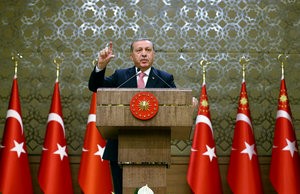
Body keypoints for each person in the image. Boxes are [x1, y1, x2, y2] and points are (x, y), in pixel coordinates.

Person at [88, 39, 176, 194]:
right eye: (139, 50)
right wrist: (101, 66)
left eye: (148, 50)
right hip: (119, 148)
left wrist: (189, 103)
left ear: (153, 54)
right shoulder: (121, 76)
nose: (144, 54)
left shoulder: (164, 78)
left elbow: (176, 105)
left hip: (154, 149)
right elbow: (95, 87)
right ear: (131, 56)